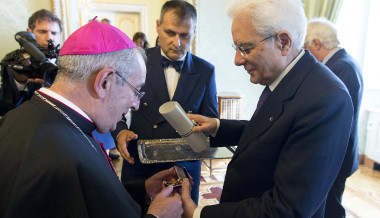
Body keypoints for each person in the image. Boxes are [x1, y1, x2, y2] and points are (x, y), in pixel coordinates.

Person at [180, 0, 354, 217]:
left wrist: (200, 215)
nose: (237, 60)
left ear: (283, 42)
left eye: (245, 48)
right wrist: (217, 126)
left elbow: (287, 209)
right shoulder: (288, 81)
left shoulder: (326, 98)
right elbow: (269, 133)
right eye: (236, 48)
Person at [0, 19, 183, 218]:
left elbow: (87, 199)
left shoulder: (20, 118)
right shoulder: (59, 160)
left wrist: (143, 189)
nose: (135, 105)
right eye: (136, 90)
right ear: (104, 82)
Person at [112, 0, 218, 205]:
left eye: (185, 35)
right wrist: (119, 131)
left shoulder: (206, 70)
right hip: (139, 163)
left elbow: (210, 120)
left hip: (184, 166)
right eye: (170, 32)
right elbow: (114, 106)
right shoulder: (136, 61)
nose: (177, 42)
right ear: (158, 26)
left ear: (194, 31)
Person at [305, 17, 364, 218]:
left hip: (337, 156)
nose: (305, 52)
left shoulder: (342, 67)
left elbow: (331, 116)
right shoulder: (343, 63)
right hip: (338, 153)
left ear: (316, 43)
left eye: (306, 46)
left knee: (330, 208)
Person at [0, 9, 62, 116]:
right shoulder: (15, 60)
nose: (49, 37)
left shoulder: (69, 60)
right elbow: (4, 109)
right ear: (30, 32)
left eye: (54, 33)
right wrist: (19, 83)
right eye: (42, 32)